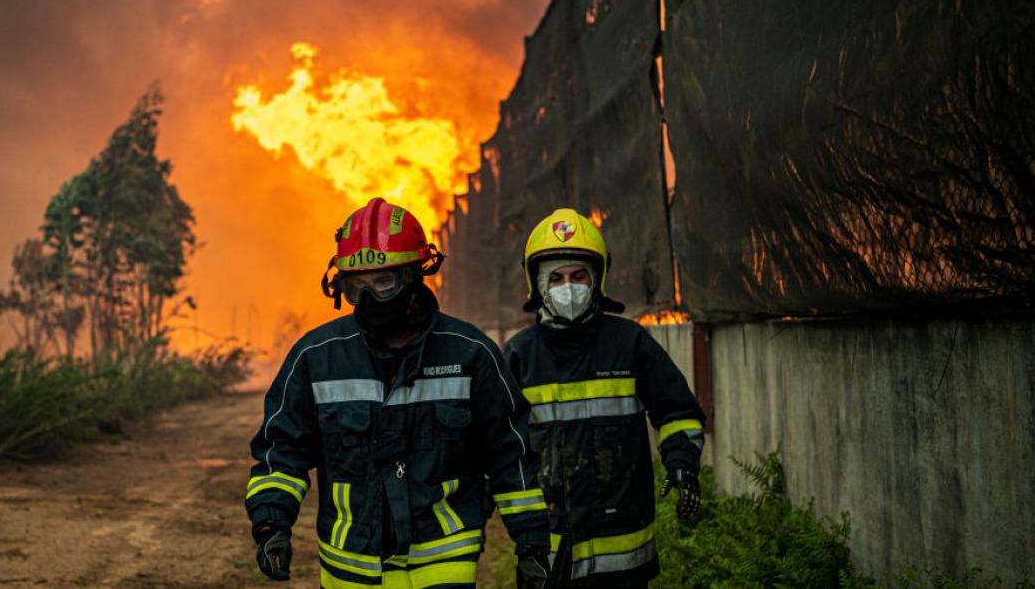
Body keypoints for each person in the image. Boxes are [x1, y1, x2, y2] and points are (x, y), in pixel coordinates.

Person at [245, 197, 551, 589]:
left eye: (383, 283)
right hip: (351, 571)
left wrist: (532, 546)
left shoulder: (470, 354)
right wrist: (271, 524)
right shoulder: (316, 358)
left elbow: (511, 455)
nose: (370, 300)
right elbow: (281, 451)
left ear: (415, 276)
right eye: (357, 287)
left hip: (444, 565)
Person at [502, 208, 706, 588]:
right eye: (556, 278)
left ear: (597, 278)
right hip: (550, 550)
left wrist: (682, 461)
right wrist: (524, 538)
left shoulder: (630, 343)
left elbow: (677, 410)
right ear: (538, 284)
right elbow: (499, 448)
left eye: (578, 276)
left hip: (623, 548)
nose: (568, 288)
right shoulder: (518, 356)